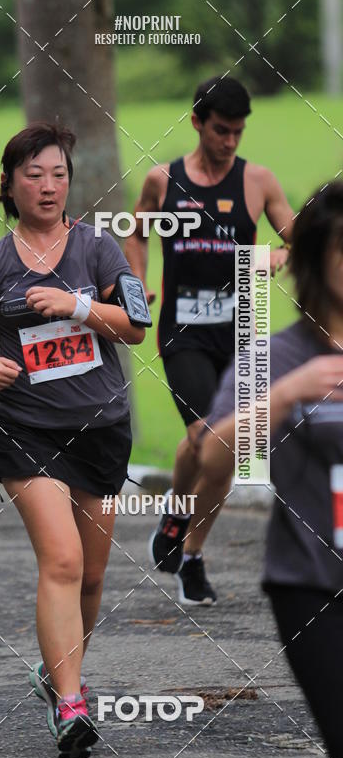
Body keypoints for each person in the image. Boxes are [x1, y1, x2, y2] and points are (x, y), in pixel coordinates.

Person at [0, 123, 146, 758]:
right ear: (8, 184)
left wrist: (74, 308)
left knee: (93, 577)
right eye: (34, 175)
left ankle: (57, 678)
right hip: (25, 428)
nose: (48, 187)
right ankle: (74, 707)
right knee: (63, 560)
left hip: (101, 429)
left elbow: (135, 325)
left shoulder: (99, 251)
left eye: (58, 175)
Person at [199, 182, 343, 758]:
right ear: (313, 259)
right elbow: (212, 454)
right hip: (313, 585)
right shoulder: (277, 357)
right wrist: (285, 396)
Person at [125, 75, 294, 605]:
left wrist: (276, 256)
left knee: (223, 444)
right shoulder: (163, 180)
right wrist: (136, 287)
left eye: (238, 132)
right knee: (212, 440)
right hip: (184, 329)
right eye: (221, 130)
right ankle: (187, 542)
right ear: (197, 122)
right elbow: (135, 232)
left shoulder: (258, 182)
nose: (230, 142)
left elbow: (300, 241)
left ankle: (186, 542)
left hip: (240, 329)